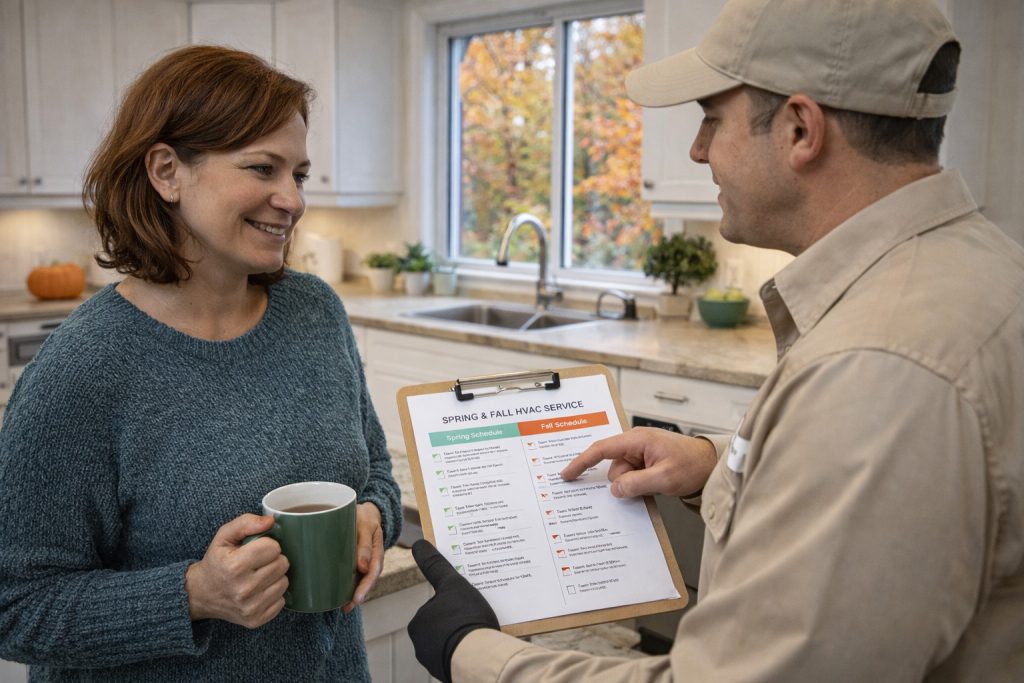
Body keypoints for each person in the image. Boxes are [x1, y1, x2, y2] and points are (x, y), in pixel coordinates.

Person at [406, 0, 1024, 680]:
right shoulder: (976, 272)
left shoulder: (878, 367)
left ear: (799, 128)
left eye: (711, 119)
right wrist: (718, 468)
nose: (699, 150)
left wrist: (472, 647)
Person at [0, 45, 401, 681]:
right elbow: (16, 608)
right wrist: (192, 594)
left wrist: (373, 515)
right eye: (262, 168)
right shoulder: (84, 369)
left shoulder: (315, 313)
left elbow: (374, 469)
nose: (291, 200)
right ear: (166, 171)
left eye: (298, 174)